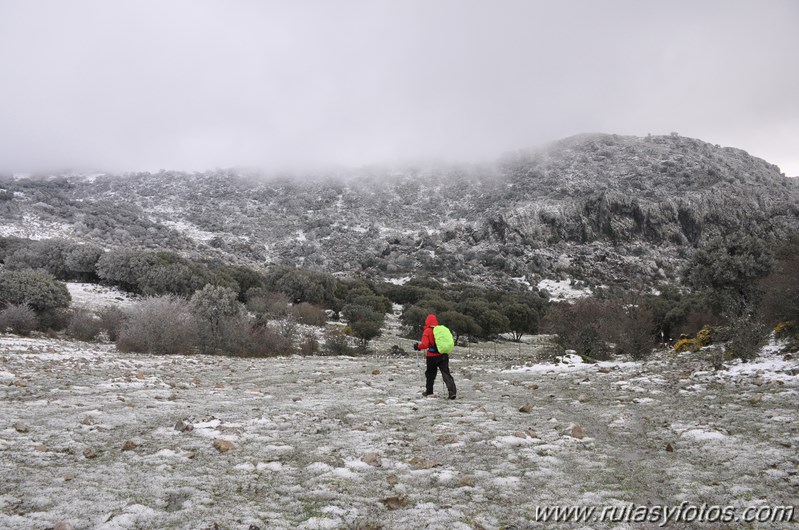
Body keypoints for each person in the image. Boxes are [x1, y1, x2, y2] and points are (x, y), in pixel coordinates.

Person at [413, 313, 457, 399]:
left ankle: (429, 392)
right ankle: (452, 392)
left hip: (432, 356)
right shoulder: (441, 330)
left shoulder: (427, 331)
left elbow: (425, 345)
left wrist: (418, 347)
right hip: (443, 355)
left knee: (430, 374)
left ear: (427, 321)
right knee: (446, 373)